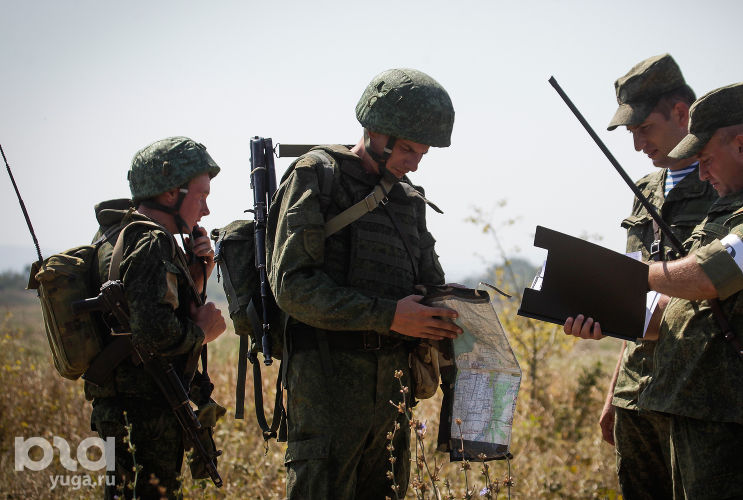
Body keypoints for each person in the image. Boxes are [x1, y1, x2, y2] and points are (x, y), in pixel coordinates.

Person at [567, 81, 743, 498]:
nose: (702, 173)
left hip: (729, 412)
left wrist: (623, 274)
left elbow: (709, 276)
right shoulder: (730, 209)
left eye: (706, 159)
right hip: (683, 405)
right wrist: (600, 312)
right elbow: (674, 310)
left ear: (742, 145)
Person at [266, 68, 463, 500]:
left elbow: (431, 285)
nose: (414, 161)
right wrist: (390, 316)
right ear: (374, 131)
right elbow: (293, 286)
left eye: (423, 152)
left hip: (393, 392)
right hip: (327, 388)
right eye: (408, 148)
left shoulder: (408, 198)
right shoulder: (317, 175)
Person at [601, 53, 717, 500]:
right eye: (630, 133)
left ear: (681, 113)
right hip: (638, 395)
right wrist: (613, 394)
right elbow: (637, 298)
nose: (637, 146)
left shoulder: (722, 185)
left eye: (643, 129)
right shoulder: (645, 192)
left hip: (696, 397)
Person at [88, 136, 227, 499]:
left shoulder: (114, 236)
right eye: (201, 196)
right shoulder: (153, 243)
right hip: (146, 413)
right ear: (170, 194)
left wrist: (198, 273)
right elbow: (153, 334)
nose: (206, 210)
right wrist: (202, 331)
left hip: (120, 407)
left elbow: (143, 309)